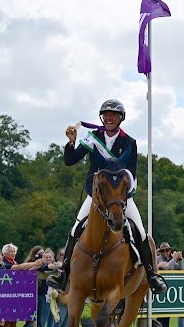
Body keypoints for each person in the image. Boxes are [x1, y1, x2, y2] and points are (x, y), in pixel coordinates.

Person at [46, 99, 167, 295]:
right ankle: (63, 272)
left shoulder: (129, 142)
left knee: (141, 232)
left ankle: (152, 275)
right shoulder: (93, 137)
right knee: (76, 227)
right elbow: (70, 160)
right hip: (96, 197)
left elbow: (131, 173)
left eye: (113, 115)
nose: (109, 118)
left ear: (120, 118)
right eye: (106, 114)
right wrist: (71, 141)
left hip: (119, 196)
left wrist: (124, 195)